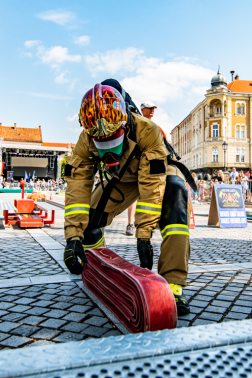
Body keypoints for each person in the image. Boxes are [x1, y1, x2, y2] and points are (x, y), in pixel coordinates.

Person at [63, 81, 194, 316]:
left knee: (175, 203)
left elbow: (152, 186)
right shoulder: (85, 138)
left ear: (124, 121)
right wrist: (72, 237)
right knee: (90, 222)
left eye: (112, 140)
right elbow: (77, 188)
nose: (108, 150)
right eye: (101, 144)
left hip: (160, 171)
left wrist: (143, 235)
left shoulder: (147, 130)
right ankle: (93, 264)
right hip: (121, 174)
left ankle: (173, 285)